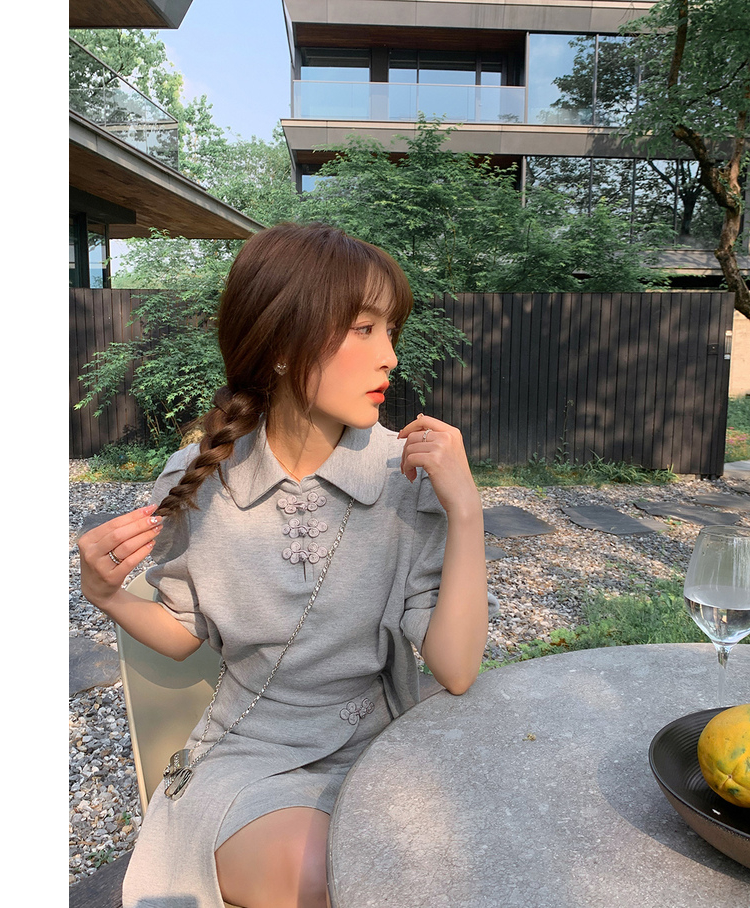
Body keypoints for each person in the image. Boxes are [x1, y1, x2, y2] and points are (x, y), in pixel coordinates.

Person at [78, 222, 489, 908]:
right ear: (277, 345)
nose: (390, 356)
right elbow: (183, 632)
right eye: (364, 329)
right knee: (333, 875)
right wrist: (106, 594)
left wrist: (467, 512)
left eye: (391, 330)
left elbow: (456, 668)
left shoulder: (408, 475)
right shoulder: (198, 478)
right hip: (251, 756)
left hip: (381, 746)